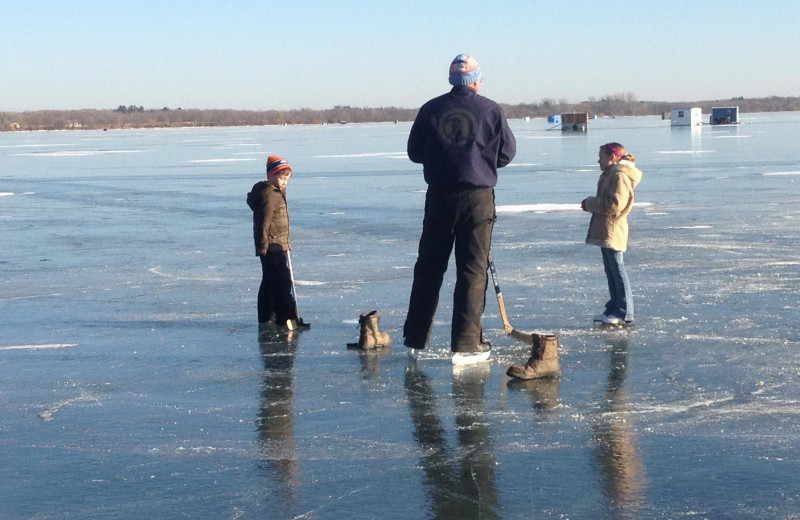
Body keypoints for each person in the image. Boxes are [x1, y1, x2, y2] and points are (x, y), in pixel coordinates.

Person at [403, 54, 516, 364]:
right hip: (478, 197)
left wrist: (442, 158)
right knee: (472, 269)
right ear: (475, 80)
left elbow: (414, 152)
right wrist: (480, 160)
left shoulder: (431, 109)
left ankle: (415, 337)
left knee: (429, 266)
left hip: (440, 196)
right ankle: (466, 343)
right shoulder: (490, 109)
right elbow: (506, 153)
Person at [581, 142, 643, 326]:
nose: (598, 161)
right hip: (606, 229)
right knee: (611, 270)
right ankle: (615, 306)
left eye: (601, 157)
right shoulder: (611, 174)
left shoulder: (620, 176)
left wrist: (590, 203)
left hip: (614, 229)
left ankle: (624, 311)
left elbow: (615, 205)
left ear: (612, 158)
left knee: (617, 269)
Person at [247, 155, 309, 330]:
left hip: (278, 243)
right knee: (282, 281)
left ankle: (268, 316)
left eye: (287, 179)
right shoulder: (269, 194)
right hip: (273, 245)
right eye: (282, 178)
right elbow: (263, 221)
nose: (285, 182)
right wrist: (262, 244)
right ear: (271, 176)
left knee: (270, 280)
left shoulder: (275, 193)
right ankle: (286, 316)